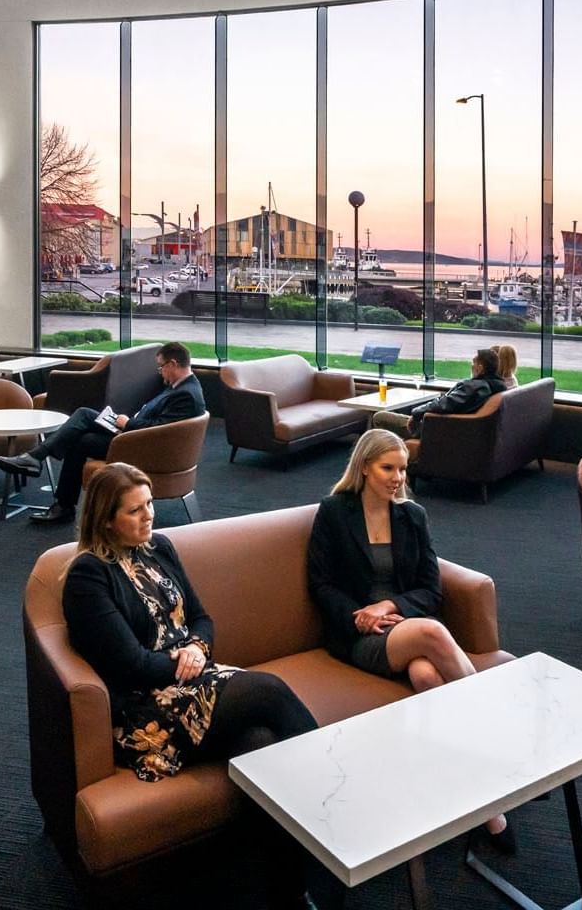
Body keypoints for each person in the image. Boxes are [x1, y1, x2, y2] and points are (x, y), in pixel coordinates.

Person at [62, 463, 322, 906]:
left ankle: (288, 889)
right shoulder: (89, 576)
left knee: (259, 743)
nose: (149, 517)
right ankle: (332, 794)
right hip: (148, 709)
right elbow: (131, 665)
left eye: (149, 505)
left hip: (197, 680)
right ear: (105, 519)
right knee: (269, 691)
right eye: (135, 511)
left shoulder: (158, 547)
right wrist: (185, 663)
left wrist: (199, 648)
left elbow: (201, 616)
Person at [305, 428, 514, 853]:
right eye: (388, 468)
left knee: (425, 678)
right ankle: (496, 731)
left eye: (402, 468)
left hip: (404, 625)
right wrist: (360, 617)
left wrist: (389, 606)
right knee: (433, 632)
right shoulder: (334, 512)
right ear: (364, 467)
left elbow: (430, 589)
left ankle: (483, 803)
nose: (397, 477)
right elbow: (320, 583)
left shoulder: (412, 516)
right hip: (358, 636)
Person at [0, 340, 205, 525]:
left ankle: (39, 464)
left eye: (161, 368)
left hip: (143, 447)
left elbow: (161, 431)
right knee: (83, 427)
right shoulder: (182, 387)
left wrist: (127, 424)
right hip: (137, 439)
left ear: (173, 364)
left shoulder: (185, 394)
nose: (160, 373)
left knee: (82, 424)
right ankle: (46, 477)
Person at [369, 347, 502, 438]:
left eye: (473, 363)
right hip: (457, 427)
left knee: (379, 417)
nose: (471, 366)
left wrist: (416, 413)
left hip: (437, 427)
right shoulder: (497, 387)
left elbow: (443, 404)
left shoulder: (473, 387)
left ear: (480, 368)